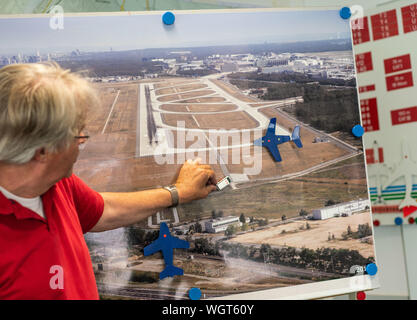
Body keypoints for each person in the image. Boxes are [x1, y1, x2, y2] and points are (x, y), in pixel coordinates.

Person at [0, 63, 217, 300]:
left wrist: (179, 192)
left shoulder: (56, 185)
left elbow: (103, 210)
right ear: (41, 151)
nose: (82, 141)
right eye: (76, 133)